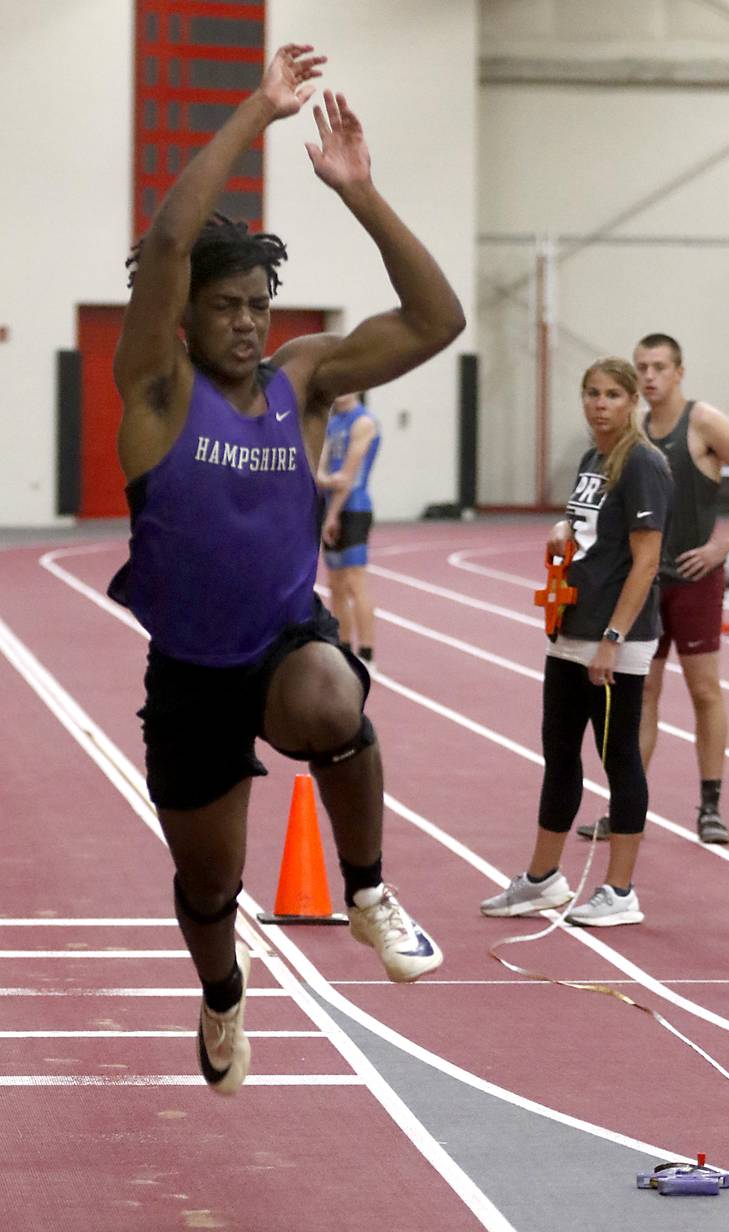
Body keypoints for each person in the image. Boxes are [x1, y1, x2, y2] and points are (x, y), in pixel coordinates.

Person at [108, 44, 465, 1095]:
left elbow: (435, 321)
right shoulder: (157, 392)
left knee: (331, 689)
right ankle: (222, 994)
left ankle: (367, 890)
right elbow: (173, 236)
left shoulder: (300, 381)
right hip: (190, 673)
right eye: (227, 306)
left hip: (278, 643)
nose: (249, 321)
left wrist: (361, 193)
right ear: (186, 315)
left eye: (260, 304)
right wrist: (255, 114)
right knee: (207, 883)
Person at [481, 358, 672, 926]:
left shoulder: (642, 463)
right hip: (569, 629)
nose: (600, 403)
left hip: (613, 640)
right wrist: (565, 527)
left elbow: (646, 562)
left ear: (632, 400)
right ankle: (542, 879)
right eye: (591, 393)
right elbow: (587, 528)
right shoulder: (594, 459)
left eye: (613, 394)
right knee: (559, 754)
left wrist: (613, 638)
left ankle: (620, 891)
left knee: (618, 761)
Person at [577, 334, 729, 846]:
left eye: (659, 367)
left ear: (679, 371)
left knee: (704, 691)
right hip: (645, 581)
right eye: (642, 367)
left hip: (694, 578)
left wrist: (723, 544)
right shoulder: (636, 430)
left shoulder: (703, 421)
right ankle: (626, 807)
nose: (648, 376)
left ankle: (710, 805)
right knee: (642, 692)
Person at [317, 391, 381, 664]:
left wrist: (332, 513)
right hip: (330, 508)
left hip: (354, 509)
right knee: (335, 584)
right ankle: (342, 647)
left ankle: (366, 654)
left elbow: (348, 476)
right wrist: (326, 487)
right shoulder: (332, 422)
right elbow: (319, 470)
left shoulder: (363, 422)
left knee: (355, 580)